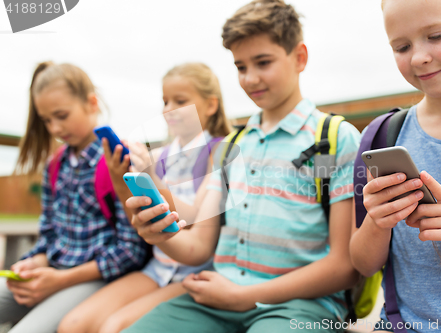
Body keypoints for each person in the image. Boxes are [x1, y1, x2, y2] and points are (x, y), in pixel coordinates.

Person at [122, 1, 361, 332]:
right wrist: (157, 234)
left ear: (299, 58)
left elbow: (345, 266)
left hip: (302, 306)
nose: (250, 78)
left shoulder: (335, 138)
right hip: (217, 299)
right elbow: (196, 248)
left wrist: (244, 295)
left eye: (263, 62)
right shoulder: (230, 147)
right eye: (240, 66)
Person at [350, 1, 441, 332]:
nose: (418, 57)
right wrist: (377, 222)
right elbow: (362, 262)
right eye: (401, 47)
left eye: (437, 35)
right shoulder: (383, 135)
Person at [58, 62, 231, 333]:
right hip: (157, 268)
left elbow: (197, 218)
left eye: (180, 101)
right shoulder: (159, 156)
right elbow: (139, 222)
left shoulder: (219, 152)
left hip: (195, 274)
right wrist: (119, 177)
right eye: (165, 101)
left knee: (112, 327)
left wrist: (154, 179)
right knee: (72, 326)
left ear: (210, 105)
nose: (168, 109)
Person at [0, 62, 148, 333]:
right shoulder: (54, 166)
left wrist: (60, 280)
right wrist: (35, 261)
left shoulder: (117, 160)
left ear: (91, 103)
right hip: (53, 271)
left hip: (99, 278)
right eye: (46, 120)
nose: (55, 127)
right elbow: (49, 233)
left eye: (62, 115)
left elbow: (131, 251)